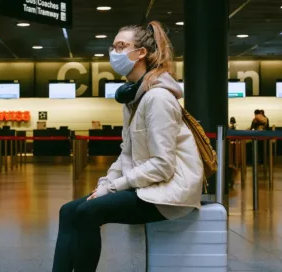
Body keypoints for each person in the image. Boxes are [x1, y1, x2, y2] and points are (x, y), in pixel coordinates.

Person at [52, 21, 204, 272]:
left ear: (141, 53)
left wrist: (113, 187)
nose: (114, 52)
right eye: (113, 46)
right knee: (68, 211)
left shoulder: (157, 98)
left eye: (121, 46)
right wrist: (105, 182)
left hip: (169, 194)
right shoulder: (135, 99)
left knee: (88, 213)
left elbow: (163, 166)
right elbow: (127, 153)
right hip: (149, 187)